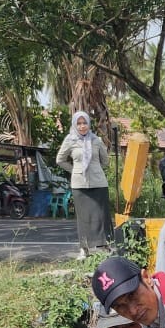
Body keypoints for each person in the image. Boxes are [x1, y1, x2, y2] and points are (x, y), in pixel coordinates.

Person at [56, 110, 112, 258]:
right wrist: (74, 169)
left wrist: (95, 166)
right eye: (79, 123)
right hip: (79, 184)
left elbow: (105, 161)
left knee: (101, 215)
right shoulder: (70, 140)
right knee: (83, 217)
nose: (82, 126)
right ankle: (84, 249)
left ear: (89, 124)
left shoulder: (96, 140)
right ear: (75, 125)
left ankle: (104, 245)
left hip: (98, 182)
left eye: (84, 123)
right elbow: (60, 160)